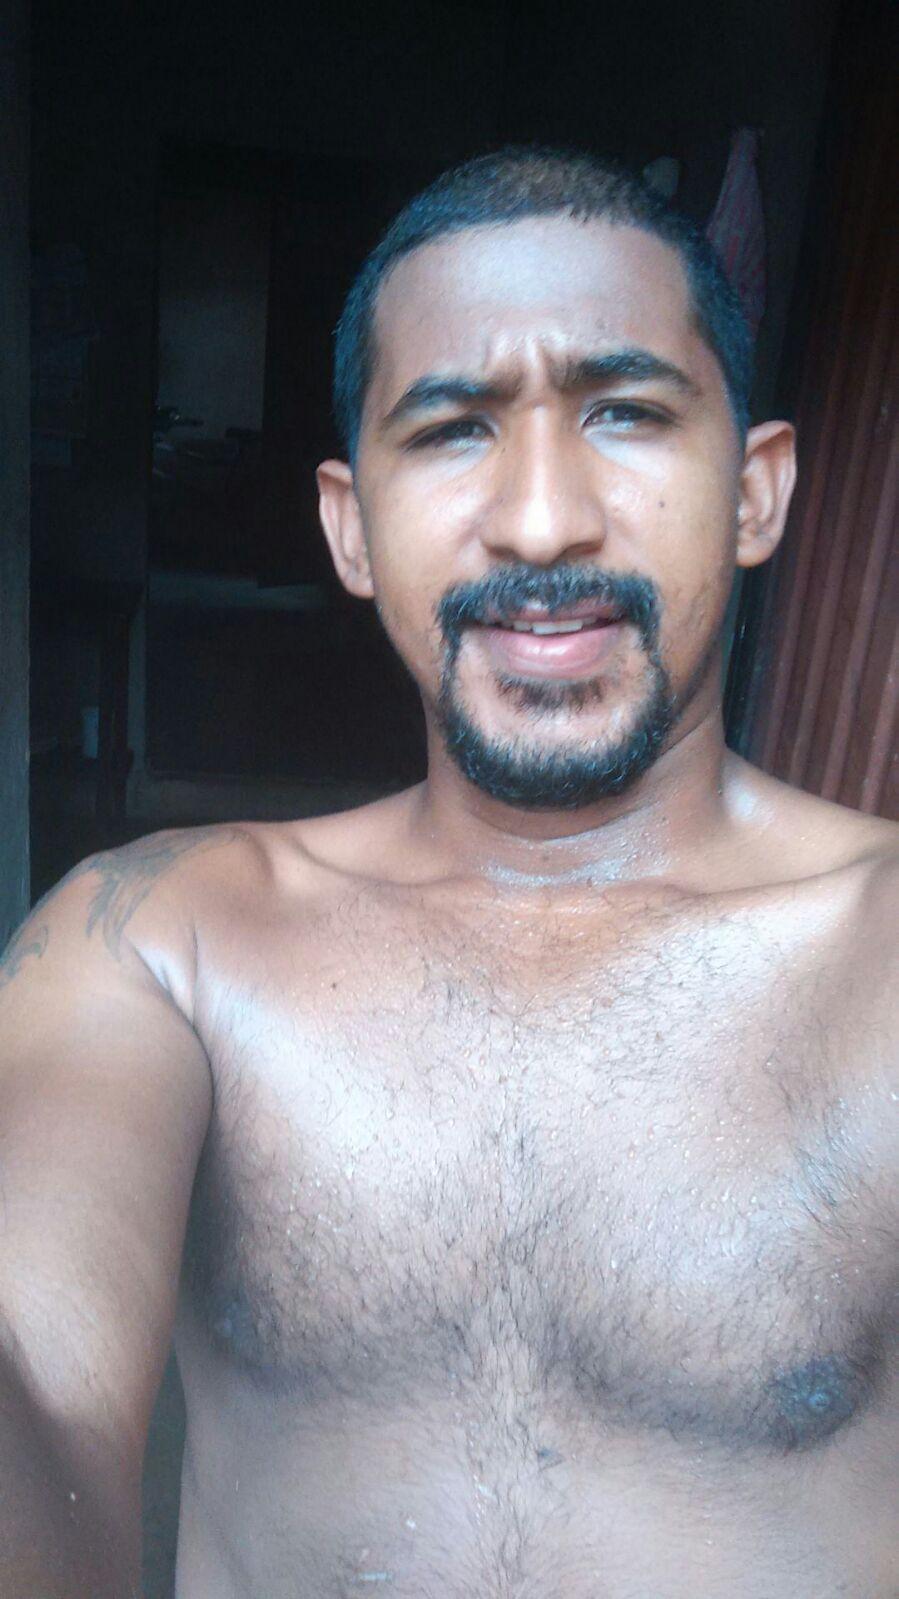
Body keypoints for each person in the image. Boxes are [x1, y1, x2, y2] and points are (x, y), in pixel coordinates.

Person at [0, 148, 896, 1599]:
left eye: (624, 412)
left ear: (756, 491)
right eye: (452, 429)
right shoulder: (162, 943)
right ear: (351, 527)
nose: (542, 521)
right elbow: (33, 1370)